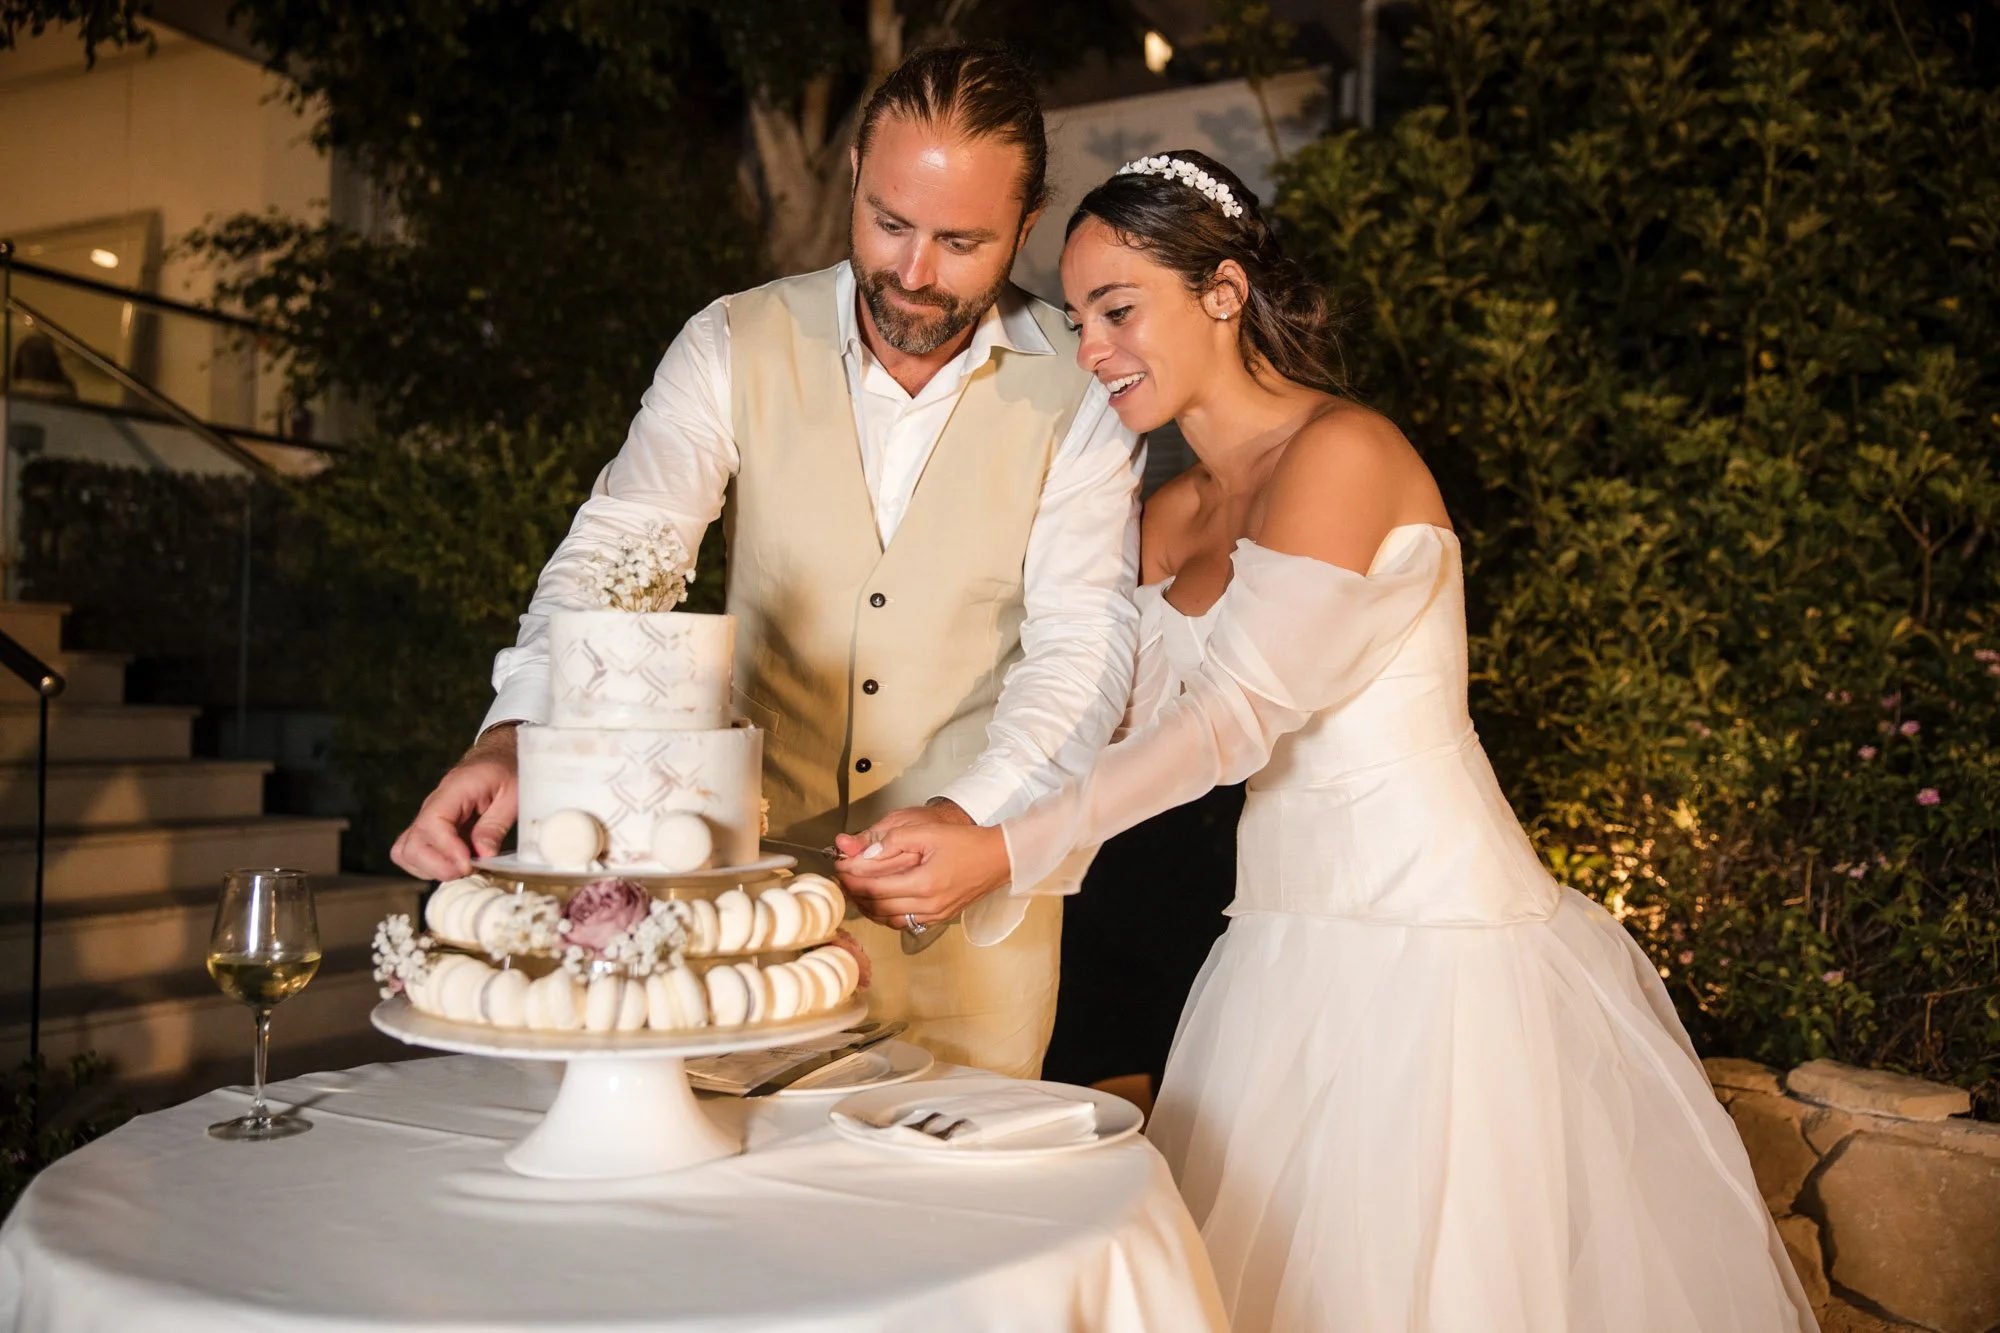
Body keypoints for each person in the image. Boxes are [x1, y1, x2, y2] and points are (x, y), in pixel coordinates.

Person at [836, 150, 1818, 1332]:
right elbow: (1090, 713)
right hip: (1273, 952)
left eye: (1116, 309)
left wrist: (1004, 850)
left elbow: (1229, 723)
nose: (1091, 349)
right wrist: (955, 819)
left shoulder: (1342, 454)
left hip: (1436, 954)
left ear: (1222, 292)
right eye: (1080, 315)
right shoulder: (1167, 510)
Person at [390, 44, 1144, 1080]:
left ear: (1025, 226)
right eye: (887, 223)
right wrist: (517, 735)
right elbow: (623, 557)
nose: (913, 272)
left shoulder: (1087, 388)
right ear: (850, 183)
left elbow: (1083, 640)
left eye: (960, 240)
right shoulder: (728, 342)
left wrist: (977, 816)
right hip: (735, 922)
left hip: (974, 931)